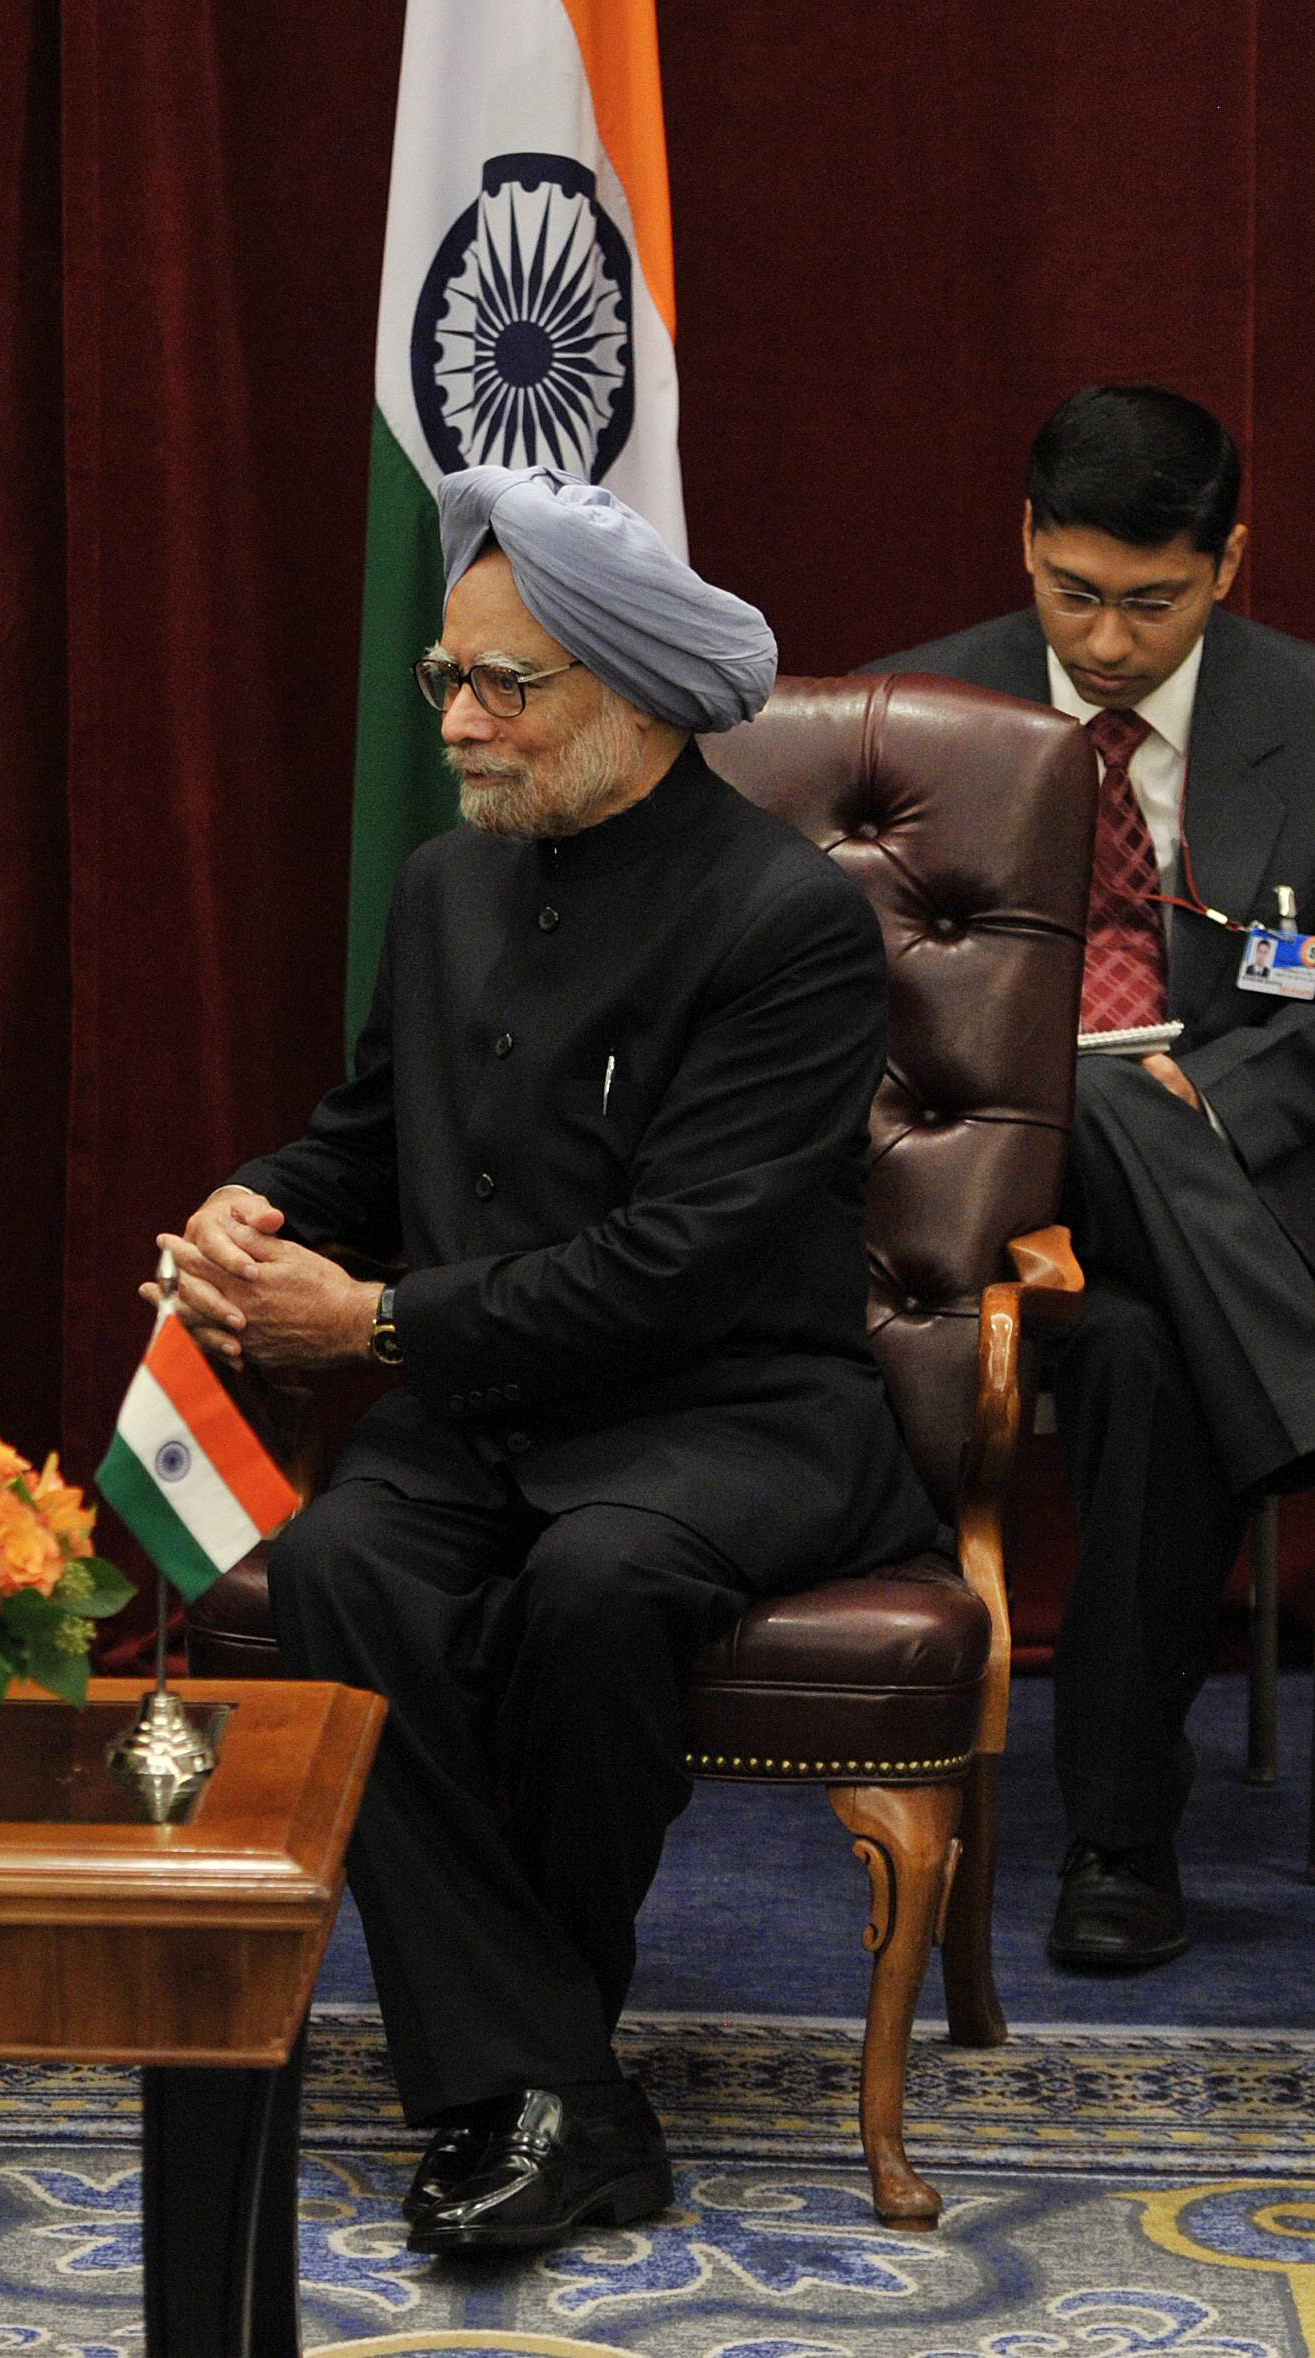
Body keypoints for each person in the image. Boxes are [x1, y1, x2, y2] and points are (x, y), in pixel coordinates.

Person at [156, 467, 939, 2256]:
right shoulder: (445, 884)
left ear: (638, 699)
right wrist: (252, 1205)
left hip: (729, 1406)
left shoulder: (784, 920)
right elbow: (364, 1138)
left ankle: (519, 2084)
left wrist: (361, 1322)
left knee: (596, 1582)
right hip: (486, 1405)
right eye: (448, 679)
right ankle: (556, 2091)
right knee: (340, 1560)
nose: (460, 719)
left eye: (508, 686)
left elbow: (676, 1268)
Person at [875, 384, 1315, 1971]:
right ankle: (1298, 1373)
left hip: (1203, 1210)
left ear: (1228, 562)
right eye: (1073, 595)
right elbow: (850, 1021)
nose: (1108, 642)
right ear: (1023, 543)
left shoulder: (1306, 718)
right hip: (965, 1186)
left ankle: (1117, 1843)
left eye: (1152, 601)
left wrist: (1218, 1100)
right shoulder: (908, 720)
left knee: (1144, 1352)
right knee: (1083, 1085)